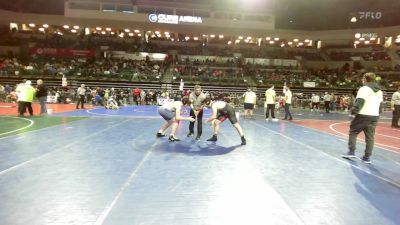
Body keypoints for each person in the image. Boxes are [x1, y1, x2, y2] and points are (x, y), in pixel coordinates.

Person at [341, 72, 384, 164]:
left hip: (363, 114)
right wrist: (377, 113)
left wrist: (353, 112)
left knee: (353, 131)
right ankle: (367, 157)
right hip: (374, 116)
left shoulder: (364, 89)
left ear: (365, 79)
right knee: (370, 137)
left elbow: (360, 101)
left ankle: (351, 152)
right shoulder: (379, 91)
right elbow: (380, 105)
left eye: (363, 78)